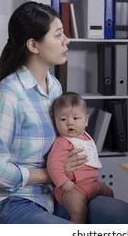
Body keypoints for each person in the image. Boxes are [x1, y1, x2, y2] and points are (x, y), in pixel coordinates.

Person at [0, 1, 128, 224]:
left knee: (122, 215)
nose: (66, 41)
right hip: (7, 202)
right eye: (58, 35)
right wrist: (51, 173)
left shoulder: (55, 86)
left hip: (50, 193)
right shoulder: (9, 94)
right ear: (33, 45)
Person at [48, 92, 114, 224]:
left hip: (92, 183)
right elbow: (53, 165)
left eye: (75, 118)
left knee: (109, 192)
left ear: (86, 120)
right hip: (73, 187)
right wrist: (63, 182)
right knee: (78, 209)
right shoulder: (63, 142)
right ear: (55, 122)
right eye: (63, 120)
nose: (69, 123)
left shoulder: (85, 137)